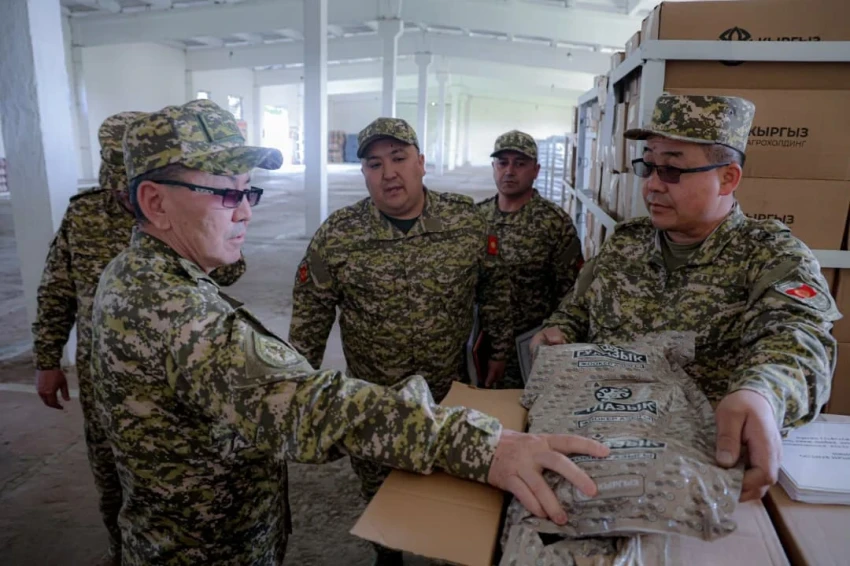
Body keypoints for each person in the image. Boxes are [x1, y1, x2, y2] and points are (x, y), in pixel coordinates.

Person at [91, 99, 608, 566]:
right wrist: (481, 446)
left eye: (248, 191)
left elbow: (490, 290)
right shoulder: (172, 308)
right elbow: (305, 402)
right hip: (202, 547)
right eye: (226, 194)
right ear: (154, 203)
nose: (246, 210)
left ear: (420, 162)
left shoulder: (146, 275)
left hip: (228, 528)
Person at [532, 93, 841, 503]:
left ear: (728, 178)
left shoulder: (772, 255)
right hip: (597, 455)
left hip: (698, 475)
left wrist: (762, 392)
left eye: (673, 170)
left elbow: (798, 341)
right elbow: (576, 310)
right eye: (649, 166)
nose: (653, 185)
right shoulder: (626, 242)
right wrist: (558, 332)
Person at [289, 116, 514, 564]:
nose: (388, 172)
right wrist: (298, 388)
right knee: (379, 483)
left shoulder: (465, 222)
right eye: (374, 164)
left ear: (421, 163)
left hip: (447, 390)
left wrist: (501, 351)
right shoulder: (339, 235)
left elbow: (495, 288)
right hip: (376, 395)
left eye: (398, 158)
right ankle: (386, 555)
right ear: (364, 174)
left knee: (450, 477)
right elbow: (310, 315)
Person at [32, 111, 246, 565]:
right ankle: (121, 551)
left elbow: (229, 271)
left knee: (178, 485)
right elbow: (57, 289)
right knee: (111, 479)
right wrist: (47, 358)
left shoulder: (184, 203)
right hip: (102, 373)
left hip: (172, 372)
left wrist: (214, 225)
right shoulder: (84, 213)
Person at [477, 130, 582, 389]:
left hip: (529, 349)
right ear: (493, 168)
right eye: (503, 163)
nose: (509, 171)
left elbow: (571, 294)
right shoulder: (475, 218)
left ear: (535, 170)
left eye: (520, 164)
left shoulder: (554, 223)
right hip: (480, 347)